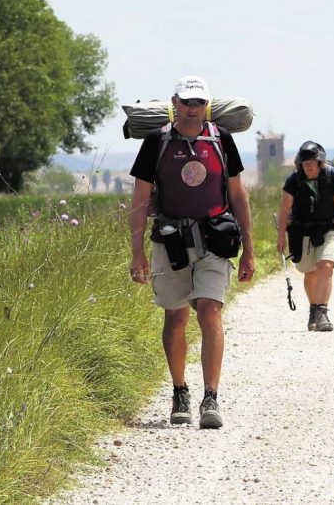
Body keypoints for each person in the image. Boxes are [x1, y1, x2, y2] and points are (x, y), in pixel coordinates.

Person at [128, 75, 255, 428]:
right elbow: (140, 199)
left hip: (215, 237)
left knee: (210, 312)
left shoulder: (222, 140)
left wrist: (249, 250)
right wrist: (136, 252)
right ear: (175, 103)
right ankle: (180, 390)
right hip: (170, 239)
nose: (193, 109)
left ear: (207, 105)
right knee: (175, 318)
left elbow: (238, 195)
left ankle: (210, 397)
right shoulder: (156, 141)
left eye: (199, 102)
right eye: (187, 102)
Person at [276, 141, 334, 332]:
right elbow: (285, 210)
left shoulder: (331, 177)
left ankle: (322, 313)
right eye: (304, 162)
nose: (308, 165)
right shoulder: (293, 181)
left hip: (328, 228)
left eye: (312, 161)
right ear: (300, 164)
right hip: (302, 231)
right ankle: (313, 310)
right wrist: (281, 237)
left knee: (326, 266)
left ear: (319, 162)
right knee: (309, 271)